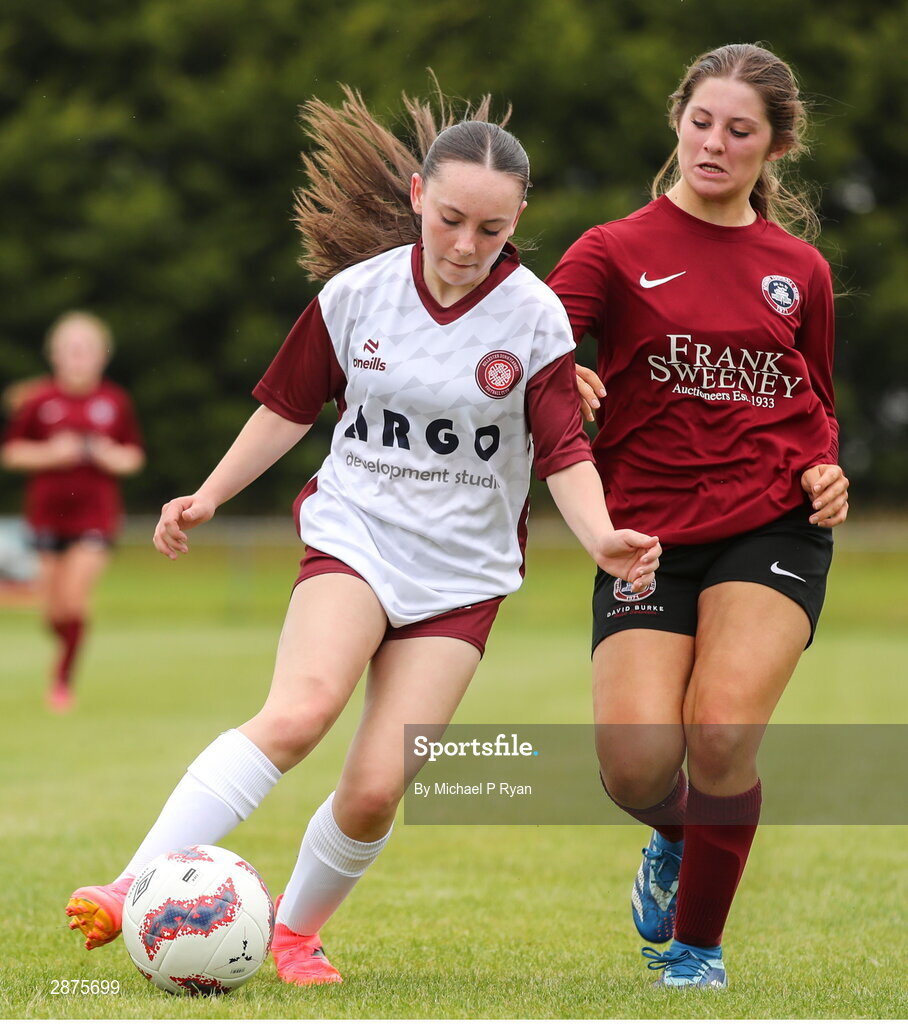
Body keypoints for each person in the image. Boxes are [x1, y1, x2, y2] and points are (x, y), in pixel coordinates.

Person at [64, 85, 661, 987]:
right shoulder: (358, 295)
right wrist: (209, 495)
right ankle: (126, 883)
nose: (465, 247)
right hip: (357, 536)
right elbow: (287, 409)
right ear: (419, 195)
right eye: (451, 218)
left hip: (463, 576)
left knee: (379, 787)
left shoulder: (535, 318)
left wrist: (602, 535)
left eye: (490, 231)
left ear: (518, 222)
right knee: (301, 711)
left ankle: (296, 933)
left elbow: (562, 448)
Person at [546, 43, 849, 989]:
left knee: (720, 731)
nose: (715, 144)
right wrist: (562, 373)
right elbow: (523, 358)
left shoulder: (800, 268)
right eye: (702, 123)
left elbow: (817, 400)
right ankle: (680, 836)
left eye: (740, 131)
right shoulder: (611, 249)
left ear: (776, 147)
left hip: (773, 527)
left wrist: (829, 468)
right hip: (644, 536)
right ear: (679, 122)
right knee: (635, 767)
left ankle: (696, 951)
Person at [1, 312, 144, 711]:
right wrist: (51, 453)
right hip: (45, 516)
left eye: (86, 350)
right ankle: (67, 647)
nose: (78, 358)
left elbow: (133, 457)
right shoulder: (39, 401)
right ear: (55, 356)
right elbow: (12, 452)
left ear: (102, 356)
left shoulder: (115, 402)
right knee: (51, 612)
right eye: (70, 350)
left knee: (74, 601)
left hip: (94, 518)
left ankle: (62, 681)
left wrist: (107, 456)